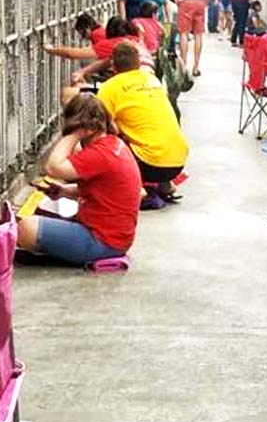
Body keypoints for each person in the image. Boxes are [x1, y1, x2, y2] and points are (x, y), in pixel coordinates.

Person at [17, 94, 141, 265]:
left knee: (26, 228)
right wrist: (64, 192)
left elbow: (52, 168)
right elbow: (103, 192)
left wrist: (74, 134)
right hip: (115, 237)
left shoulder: (99, 154)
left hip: (102, 241)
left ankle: (70, 253)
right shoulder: (112, 144)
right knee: (38, 221)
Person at [97, 43, 189, 205]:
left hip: (149, 165)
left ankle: (136, 191)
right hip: (178, 162)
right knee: (147, 130)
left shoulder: (109, 88)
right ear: (138, 64)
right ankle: (165, 184)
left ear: (112, 65)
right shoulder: (152, 80)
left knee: (106, 140)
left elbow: (100, 127)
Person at [44, 16, 155, 83]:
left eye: (81, 33)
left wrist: (51, 50)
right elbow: (107, 61)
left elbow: (72, 54)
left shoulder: (112, 41)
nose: (82, 37)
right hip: (151, 81)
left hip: (135, 82)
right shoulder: (136, 40)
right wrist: (83, 72)